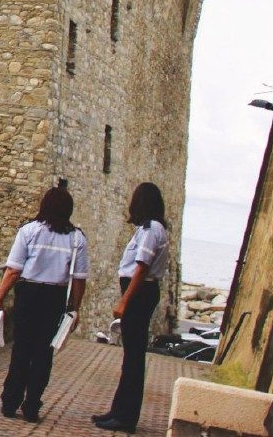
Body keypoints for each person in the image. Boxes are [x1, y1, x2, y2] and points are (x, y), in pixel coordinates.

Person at [0, 186, 88, 423]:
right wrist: (75, 308)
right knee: (44, 353)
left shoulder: (29, 231)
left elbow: (13, 270)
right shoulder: (77, 238)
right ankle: (32, 405)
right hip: (55, 297)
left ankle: (10, 400)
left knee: (21, 349)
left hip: (29, 294)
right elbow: (78, 279)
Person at [92, 182, 171, 433]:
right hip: (142, 292)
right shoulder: (149, 229)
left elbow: (142, 267)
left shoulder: (150, 230)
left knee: (134, 357)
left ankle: (125, 416)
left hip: (140, 293)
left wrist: (125, 300)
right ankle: (119, 410)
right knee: (131, 356)